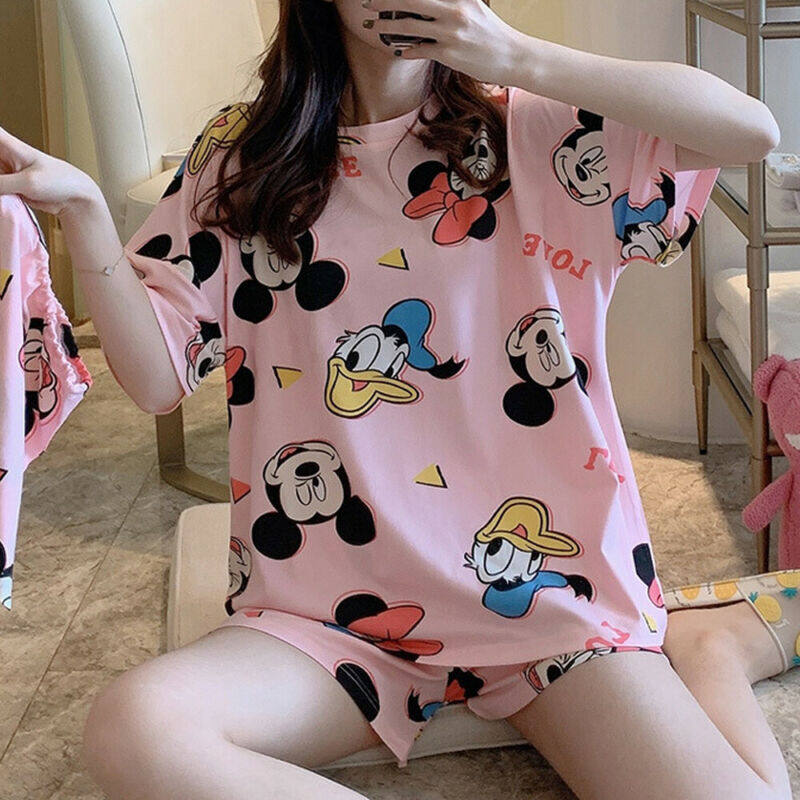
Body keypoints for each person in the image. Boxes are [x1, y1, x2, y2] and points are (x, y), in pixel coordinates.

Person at [0, 1, 795, 798]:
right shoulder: (244, 157)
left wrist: (515, 56)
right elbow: (156, 380)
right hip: (328, 615)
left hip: (552, 599)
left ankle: (711, 648)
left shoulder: (537, 127)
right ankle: (709, 649)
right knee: (134, 730)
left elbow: (751, 132)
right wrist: (86, 214)